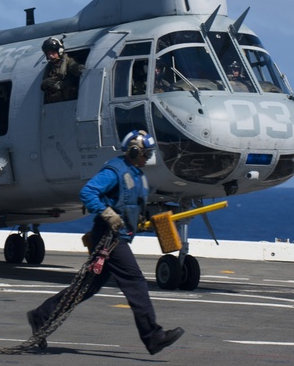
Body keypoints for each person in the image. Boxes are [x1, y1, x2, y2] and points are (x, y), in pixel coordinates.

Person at [26, 130, 184, 356]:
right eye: (145, 153)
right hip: (109, 237)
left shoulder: (138, 175)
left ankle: (41, 316)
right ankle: (153, 337)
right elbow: (88, 192)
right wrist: (109, 214)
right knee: (135, 282)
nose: (148, 158)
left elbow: (131, 206)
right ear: (134, 151)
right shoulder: (115, 170)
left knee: (87, 287)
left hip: (117, 236)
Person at [40, 37, 83, 104]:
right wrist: (45, 84)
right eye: (48, 53)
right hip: (54, 103)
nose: (51, 56)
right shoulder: (49, 67)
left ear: (59, 51)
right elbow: (43, 85)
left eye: (53, 52)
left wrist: (78, 68)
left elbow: (75, 69)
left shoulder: (68, 61)